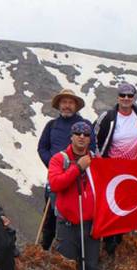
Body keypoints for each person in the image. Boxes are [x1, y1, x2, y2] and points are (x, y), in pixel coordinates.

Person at [48, 121, 100, 270]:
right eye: (77, 133)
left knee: (91, 267)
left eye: (85, 134)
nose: (81, 137)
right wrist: (78, 168)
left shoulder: (97, 160)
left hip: (91, 224)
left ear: (90, 138)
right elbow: (56, 184)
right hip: (68, 224)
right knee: (68, 268)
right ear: (71, 137)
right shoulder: (59, 159)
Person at [93, 82, 137, 255]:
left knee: (126, 206)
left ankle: (121, 240)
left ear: (134, 98)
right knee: (111, 204)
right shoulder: (108, 116)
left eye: (130, 96)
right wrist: (99, 160)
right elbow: (94, 136)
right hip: (111, 168)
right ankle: (109, 241)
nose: (126, 98)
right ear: (117, 97)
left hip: (133, 169)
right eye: (123, 95)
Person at [37, 89, 96, 250]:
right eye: (64, 102)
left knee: (72, 216)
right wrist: (54, 164)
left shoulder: (85, 125)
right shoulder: (51, 125)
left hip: (79, 180)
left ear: (76, 105)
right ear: (59, 105)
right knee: (50, 216)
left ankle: (68, 251)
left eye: (70, 102)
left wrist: (79, 168)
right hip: (56, 177)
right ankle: (44, 250)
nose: (67, 106)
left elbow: (92, 150)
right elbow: (42, 148)